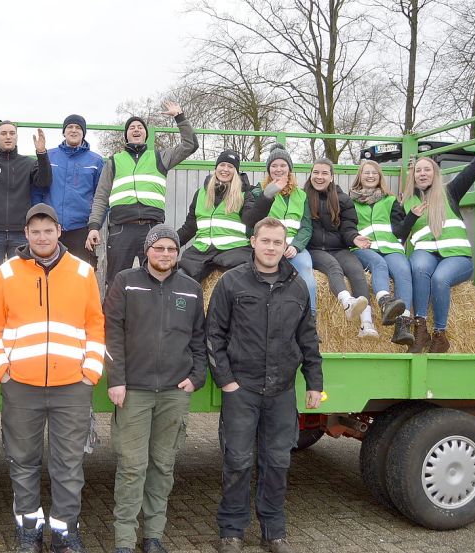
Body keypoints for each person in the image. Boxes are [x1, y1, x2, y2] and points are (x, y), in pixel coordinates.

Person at [0, 203, 105, 553]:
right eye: (34, 231)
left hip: (73, 385)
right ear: (26, 234)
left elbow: (96, 325)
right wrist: (1, 370)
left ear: (59, 232)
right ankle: (28, 530)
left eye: (47, 230)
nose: (41, 236)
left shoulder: (83, 272)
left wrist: (91, 371)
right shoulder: (6, 273)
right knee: (22, 461)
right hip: (21, 384)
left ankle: (65, 531)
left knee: (68, 463)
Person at [207, 217, 323, 553]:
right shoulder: (232, 283)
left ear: (284, 246)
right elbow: (213, 334)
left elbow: (308, 338)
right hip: (241, 389)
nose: (271, 247)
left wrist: (314, 382)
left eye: (277, 242)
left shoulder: (297, 285)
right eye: (265, 241)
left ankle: (274, 532)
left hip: (282, 391)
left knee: (278, 462)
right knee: (238, 460)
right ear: (254, 242)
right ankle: (231, 531)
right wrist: (226, 381)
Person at [104, 224, 207, 553]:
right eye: (159, 248)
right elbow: (112, 335)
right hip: (134, 391)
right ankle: (123, 540)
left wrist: (198, 375)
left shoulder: (191, 288)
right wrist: (116, 379)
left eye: (171, 249)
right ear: (147, 251)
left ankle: (153, 536)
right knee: (132, 468)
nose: (165, 254)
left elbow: (200, 339)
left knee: (163, 466)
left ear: (177, 254)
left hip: (174, 393)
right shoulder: (125, 282)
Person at [395, 116, 475, 353]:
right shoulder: (405, 202)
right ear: (413, 175)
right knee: (418, 268)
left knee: (440, 279)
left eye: (427, 170)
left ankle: (440, 334)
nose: (422, 174)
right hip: (425, 254)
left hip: (457, 258)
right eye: (418, 171)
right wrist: (413, 216)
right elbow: (399, 234)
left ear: (435, 173)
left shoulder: (451, 192)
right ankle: (420, 329)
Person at [86, 102, 199, 288]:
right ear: (126, 135)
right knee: (115, 282)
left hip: (152, 228)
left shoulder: (159, 157)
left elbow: (190, 144)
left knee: (156, 280)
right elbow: (100, 197)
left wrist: (179, 116)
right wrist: (93, 226)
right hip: (121, 229)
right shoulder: (114, 161)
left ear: (146, 134)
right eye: (132, 127)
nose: (136, 129)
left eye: (140, 127)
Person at [0, 121, 51, 296]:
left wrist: (42, 154)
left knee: (21, 278)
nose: (8, 136)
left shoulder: (28, 163)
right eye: (4, 133)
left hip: (20, 232)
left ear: (16, 137)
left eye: (12, 133)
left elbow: (44, 181)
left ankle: (19, 319)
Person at [242, 144, 317, 316]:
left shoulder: (301, 195)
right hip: (270, 245)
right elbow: (250, 224)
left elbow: (306, 227)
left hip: (293, 247)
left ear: (289, 168)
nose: (278, 169)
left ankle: (311, 317)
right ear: (269, 169)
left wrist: (296, 246)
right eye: (274, 165)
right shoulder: (257, 192)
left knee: (306, 271)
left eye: (283, 165)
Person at [303, 158, 374, 336]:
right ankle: (347, 302)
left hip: (339, 248)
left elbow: (348, 228)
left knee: (357, 270)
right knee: (333, 267)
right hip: (314, 249)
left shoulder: (343, 200)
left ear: (332, 177)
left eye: (324, 173)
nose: (319, 177)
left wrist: (355, 238)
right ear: (311, 174)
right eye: (316, 172)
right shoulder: (302, 197)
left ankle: (367, 323)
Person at [349, 160, 414, 346]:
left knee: (403, 271)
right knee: (380, 265)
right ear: (359, 176)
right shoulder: (350, 201)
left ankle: (403, 325)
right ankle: (385, 303)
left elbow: (401, 231)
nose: (370, 176)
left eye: (374, 173)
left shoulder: (391, 200)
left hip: (390, 247)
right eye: (366, 173)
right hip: (364, 249)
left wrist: (412, 216)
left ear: (380, 177)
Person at [33, 114, 104, 267]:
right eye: (70, 127)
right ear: (64, 132)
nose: (74, 130)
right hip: (50, 227)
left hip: (80, 229)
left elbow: (101, 197)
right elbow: (37, 190)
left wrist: (94, 227)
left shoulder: (96, 161)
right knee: (48, 274)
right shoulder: (48, 156)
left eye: (78, 128)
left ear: (83, 132)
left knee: (80, 276)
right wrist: (39, 220)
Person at [176, 150, 254, 282]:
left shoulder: (245, 194)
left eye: (230, 166)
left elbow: (252, 219)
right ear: (216, 167)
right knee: (181, 279)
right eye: (222, 165)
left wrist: (266, 199)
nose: (225, 169)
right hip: (201, 251)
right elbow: (189, 227)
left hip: (234, 250)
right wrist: (168, 241)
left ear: (236, 171)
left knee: (238, 281)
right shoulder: (200, 193)